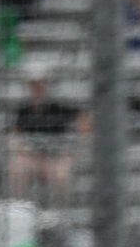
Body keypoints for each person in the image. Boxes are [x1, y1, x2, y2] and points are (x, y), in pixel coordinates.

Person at [9, 73, 85, 202]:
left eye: (41, 85)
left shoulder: (60, 108)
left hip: (56, 157)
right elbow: (14, 135)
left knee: (62, 173)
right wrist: (25, 150)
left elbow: (85, 120)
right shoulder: (23, 111)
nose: (38, 89)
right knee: (17, 167)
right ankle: (20, 208)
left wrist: (70, 148)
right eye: (34, 86)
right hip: (32, 157)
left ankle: (60, 212)